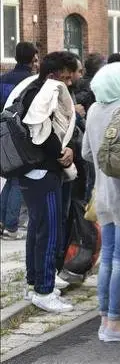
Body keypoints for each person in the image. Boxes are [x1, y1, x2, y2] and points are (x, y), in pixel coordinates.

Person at [82, 62, 120, 342]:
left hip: (102, 193)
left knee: (107, 259)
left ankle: (105, 319)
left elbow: (85, 152)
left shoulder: (94, 110)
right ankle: (114, 322)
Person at [18, 51, 80, 313]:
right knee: (49, 231)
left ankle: (35, 283)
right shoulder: (46, 91)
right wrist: (61, 154)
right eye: (67, 76)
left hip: (30, 171)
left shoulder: (31, 88)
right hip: (43, 172)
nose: (70, 82)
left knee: (38, 228)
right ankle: (43, 290)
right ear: (55, 74)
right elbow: (40, 129)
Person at [1, 42, 39, 240]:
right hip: (21, 135)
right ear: (33, 58)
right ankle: (11, 226)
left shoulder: (4, 78)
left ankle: (3, 221)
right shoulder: (31, 81)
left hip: (3, 133)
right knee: (18, 178)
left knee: (10, 176)